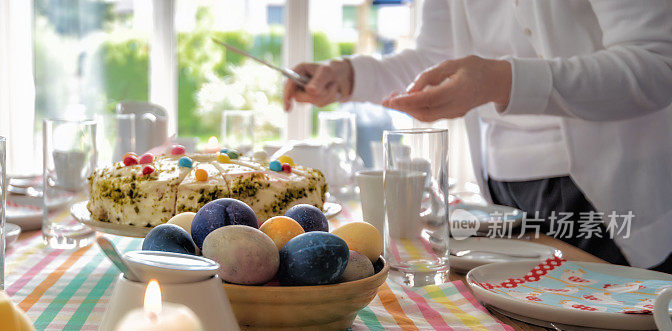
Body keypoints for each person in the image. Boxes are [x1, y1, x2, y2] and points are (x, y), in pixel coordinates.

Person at [284, 0, 672, 273]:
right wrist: (350, 75)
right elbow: (437, 58)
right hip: (499, 199)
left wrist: (503, 81)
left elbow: (657, 60)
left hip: (607, 199)